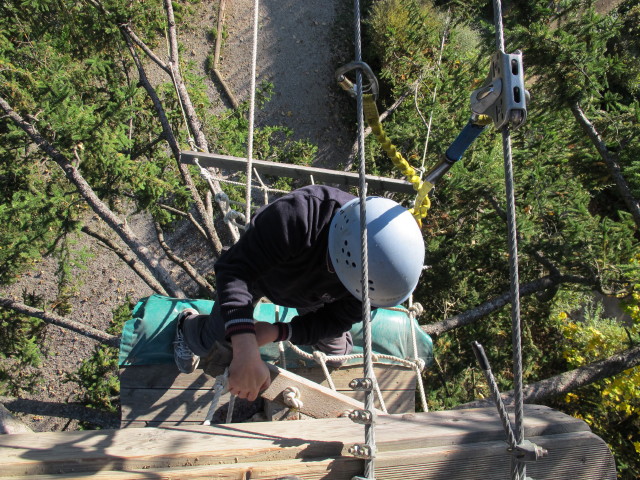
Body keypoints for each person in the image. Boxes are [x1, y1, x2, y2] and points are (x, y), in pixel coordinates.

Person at [173, 185, 425, 401]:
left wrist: (277, 332)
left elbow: (335, 320)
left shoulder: (379, 281)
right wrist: (245, 344)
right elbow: (235, 270)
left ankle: (310, 336)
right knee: (214, 343)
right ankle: (187, 325)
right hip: (263, 275)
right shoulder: (300, 215)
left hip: (316, 297)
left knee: (335, 358)